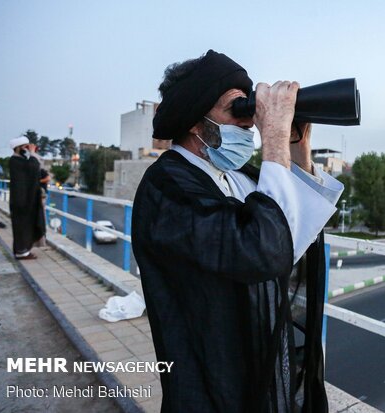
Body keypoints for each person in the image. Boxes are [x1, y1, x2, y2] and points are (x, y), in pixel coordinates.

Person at [132, 50, 343, 412]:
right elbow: (258, 250)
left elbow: (289, 236)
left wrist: (296, 148)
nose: (249, 123)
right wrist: (273, 138)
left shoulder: (236, 179)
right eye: (237, 109)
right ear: (196, 123)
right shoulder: (166, 186)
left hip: (256, 363)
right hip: (210, 378)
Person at [9, 137, 46, 260]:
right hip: (21, 200)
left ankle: (24, 250)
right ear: (19, 148)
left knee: (26, 225)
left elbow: (36, 168)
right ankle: (21, 252)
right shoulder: (15, 160)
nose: (27, 149)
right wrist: (32, 153)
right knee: (22, 226)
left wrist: (32, 153)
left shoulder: (20, 160)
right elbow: (34, 168)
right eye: (25, 147)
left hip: (25, 200)